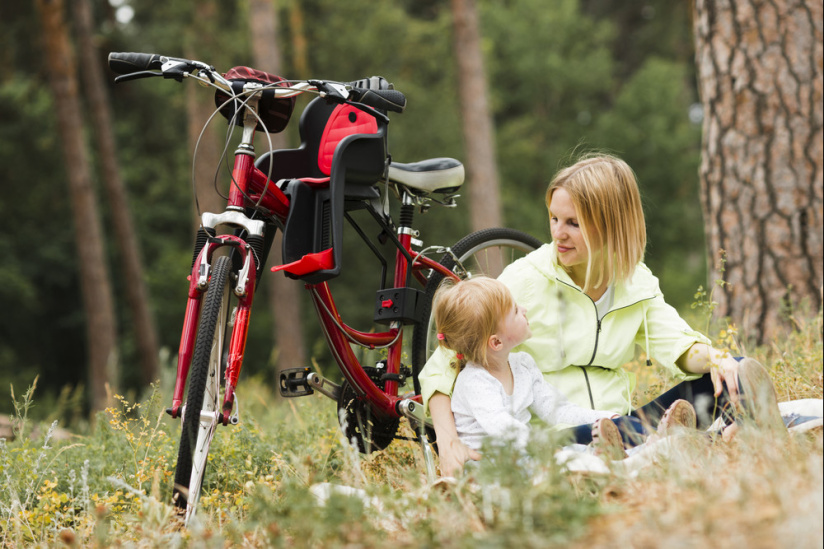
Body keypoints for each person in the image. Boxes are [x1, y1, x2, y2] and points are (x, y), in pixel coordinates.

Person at [420, 153, 784, 477]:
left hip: (614, 423)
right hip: (552, 438)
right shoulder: (524, 281)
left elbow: (679, 343)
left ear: (610, 225)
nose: (557, 234)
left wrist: (718, 359)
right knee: (621, 435)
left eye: (573, 223)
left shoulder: (634, 281)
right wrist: (448, 440)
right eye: (553, 218)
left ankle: (725, 439)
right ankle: (677, 444)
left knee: (731, 371)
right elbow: (447, 359)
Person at [433, 276, 698, 461]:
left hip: (527, 454)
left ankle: (659, 444)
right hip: (494, 466)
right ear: (496, 342)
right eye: (515, 310)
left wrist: (605, 416)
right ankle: (658, 448)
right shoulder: (475, 383)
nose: (524, 309)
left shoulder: (521, 365)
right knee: (577, 460)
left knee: (596, 444)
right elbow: (503, 428)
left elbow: (557, 409)